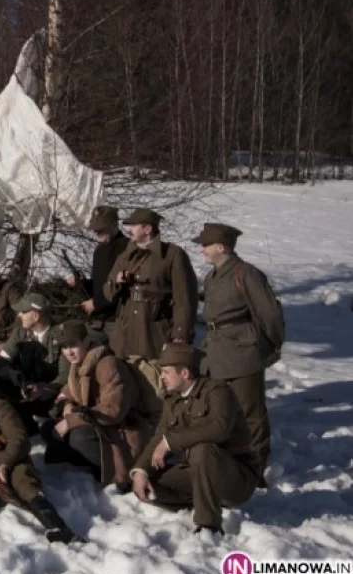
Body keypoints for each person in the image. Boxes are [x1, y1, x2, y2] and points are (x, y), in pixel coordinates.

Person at [130, 344, 260, 536]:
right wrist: (141, 471)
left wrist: (170, 442)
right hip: (199, 472)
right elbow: (159, 436)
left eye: (166, 372)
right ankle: (202, 501)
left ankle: (208, 525)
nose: (162, 377)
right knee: (152, 482)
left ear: (184, 373)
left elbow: (219, 429)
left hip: (235, 478)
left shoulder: (217, 391)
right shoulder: (172, 400)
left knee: (203, 449)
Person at [0, 367, 81, 544]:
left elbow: (19, 439)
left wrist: (4, 464)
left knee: (23, 483)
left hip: (12, 465)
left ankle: (61, 529)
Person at [195, 222, 283, 478]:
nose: (201, 249)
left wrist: (267, 347)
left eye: (206, 245)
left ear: (221, 247)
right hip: (216, 352)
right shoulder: (212, 277)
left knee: (249, 413)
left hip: (243, 353)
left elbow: (270, 315)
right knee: (218, 411)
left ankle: (255, 468)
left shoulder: (246, 274)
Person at [41, 321, 148, 487]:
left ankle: (110, 470)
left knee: (78, 437)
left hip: (120, 430)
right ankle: (82, 462)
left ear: (86, 341)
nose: (69, 352)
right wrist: (67, 404)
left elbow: (113, 411)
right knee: (48, 428)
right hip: (96, 423)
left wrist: (71, 421)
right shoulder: (79, 364)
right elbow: (71, 391)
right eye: (64, 347)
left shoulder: (108, 364)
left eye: (73, 345)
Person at [104, 208, 198, 359]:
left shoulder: (172, 255)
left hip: (154, 333)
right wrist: (117, 282)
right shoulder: (125, 256)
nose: (129, 230)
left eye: (134, 226)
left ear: (147, 229)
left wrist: (181, 334)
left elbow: (185, 298)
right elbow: (108, 293)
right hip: (125, 332)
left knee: (153, 371)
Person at [0, 293, 69, 434]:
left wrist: (42, 390)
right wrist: (11, 373)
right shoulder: (21, 332)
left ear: (36, 316)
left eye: (23, 311)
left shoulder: (60, 336)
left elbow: (64, 377)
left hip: (49, 394)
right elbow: (1, 359)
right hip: (25, 388)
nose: (19, 315)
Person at [65, 206, 129, 337]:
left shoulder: (126, 248)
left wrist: (96, 304)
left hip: (118, 320)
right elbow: (99, 285)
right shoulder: (99, 251)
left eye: (101, 229)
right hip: (98, 320)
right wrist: (79, 283)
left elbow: (123, 286)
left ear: (114, 225)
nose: (97, 232)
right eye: (95, 229)